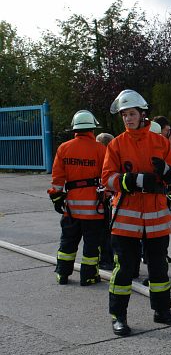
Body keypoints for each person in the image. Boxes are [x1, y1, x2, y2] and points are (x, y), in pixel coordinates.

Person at [103, 89, 171, 336]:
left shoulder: (160, 142)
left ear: (142, 114)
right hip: (126, 219)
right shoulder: (117, 144)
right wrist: (133, 180)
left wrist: (168, 174)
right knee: (124, 269)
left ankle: (162, 311)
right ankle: (118, 316)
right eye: (124, 115)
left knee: (159, 269)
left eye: (131, 114)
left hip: (157, 218)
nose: (127, 119)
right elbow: (107, 179)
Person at [47, 110, 106, 285]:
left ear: (74, 129)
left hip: (71, 208)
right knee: (91, 245)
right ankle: (88, 276)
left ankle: (62, 274)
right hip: (94, 209)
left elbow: (57, 178)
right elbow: (107, 177)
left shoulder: (64, 148)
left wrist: (57, 198)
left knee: (68, 242)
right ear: (92, 129)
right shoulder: (101, 149)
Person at [96, 132, 115, 270]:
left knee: (104, 233)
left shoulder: (103, 158)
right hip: (112, 200)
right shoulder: (114, 157)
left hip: (105, 201)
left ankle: (106, 259)